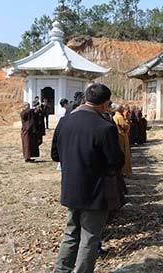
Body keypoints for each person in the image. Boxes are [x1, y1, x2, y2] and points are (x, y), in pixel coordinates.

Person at [51, 83, 125, 273]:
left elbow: (55, 155)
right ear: (105, 104)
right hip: (96, 190)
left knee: (70, 233)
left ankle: (61, 270)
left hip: (70, 187)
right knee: (90, 237)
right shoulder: (104, 127)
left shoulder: (64, 122)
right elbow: (116, 161)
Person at [113, 104, 133, 177]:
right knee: (124, 153)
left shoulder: (114, 116)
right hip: (122, 136)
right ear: (119, 109)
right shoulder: (119, 117)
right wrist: (127, 123)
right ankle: (124, 170)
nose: (123, 109)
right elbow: (125, 126)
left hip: (118, 136)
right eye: (122, 108)